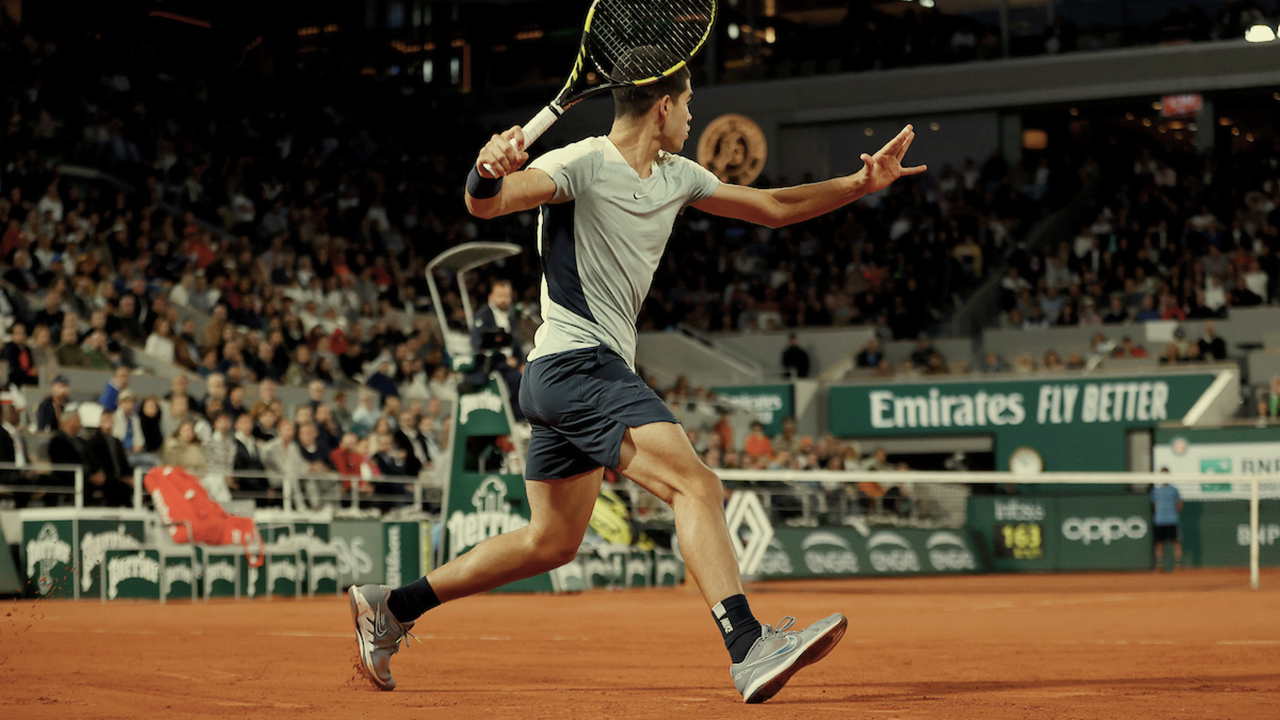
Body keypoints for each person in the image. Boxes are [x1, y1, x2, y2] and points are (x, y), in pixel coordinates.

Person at [348, 56, 923, 701]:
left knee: (550, 542)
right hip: (578, 364)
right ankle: (747, 644)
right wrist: (486, 169)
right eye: (689, 102)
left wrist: (860, 183)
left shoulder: (678, 174)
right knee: (696, 485)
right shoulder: (582, 162)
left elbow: (773, 206)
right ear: (663, 107)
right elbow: (489, 204)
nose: (693, 115)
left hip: (564, 374)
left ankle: (391, 607)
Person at [470, 279, 526, 413]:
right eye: (500, 296)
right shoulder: (483, 315)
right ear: (491, 296)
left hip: (512, 361)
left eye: (507, 296)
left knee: (530, 373)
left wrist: (522, 362)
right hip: (493, 362)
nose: (504, 300)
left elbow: (516, 343)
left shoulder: (511, 316)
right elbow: (478, 344)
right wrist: (504, 359)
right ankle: (516, 416)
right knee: (516, 379)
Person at [1151, 472, 1183, 571]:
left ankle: (1178, 565)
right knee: (1159, 544)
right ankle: (1159, 565)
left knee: (1176, 543)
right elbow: (1155, 505)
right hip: (1160, 521)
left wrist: (1174, 514)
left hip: (1172, 520)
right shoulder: (1156, 491)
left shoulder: (1174, 490)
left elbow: (1179, 504)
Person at [2, 323, 39, 387]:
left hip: (27, 379)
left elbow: (31, 365)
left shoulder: (27, 349)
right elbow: (11, 367)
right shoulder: (9, 348)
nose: (21, 335)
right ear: (13, 335)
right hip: (14, 380)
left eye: (23, 333)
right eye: (18, 333)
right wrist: (27, 372)